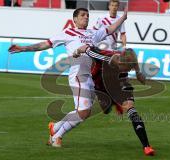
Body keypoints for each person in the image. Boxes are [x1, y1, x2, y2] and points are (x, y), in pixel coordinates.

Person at [8, 7, 128, 148]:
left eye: (87, 15)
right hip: (77, 75)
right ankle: (57, 137)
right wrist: (24, 48)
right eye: (83, 15)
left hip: (88, 76)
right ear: (75, 19)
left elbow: (110, 29)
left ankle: (55, 127)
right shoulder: (68, 33)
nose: (86, 17)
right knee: (83, 111)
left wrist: (123, 17)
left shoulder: (92, 34)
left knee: (85, 111)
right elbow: (44, 44)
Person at [74, 45, 156, 156]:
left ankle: (146, 146)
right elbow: (86, 48)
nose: (128, 70)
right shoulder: (104, 57)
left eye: (129, 69)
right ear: (120, 63)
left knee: (131, 108)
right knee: (106, 110)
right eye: (127, 69)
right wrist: (77, 51)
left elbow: (139, 74)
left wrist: (140, 76)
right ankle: (113, 102)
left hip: (121, 83)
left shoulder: (131, 62)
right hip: (101, 84)